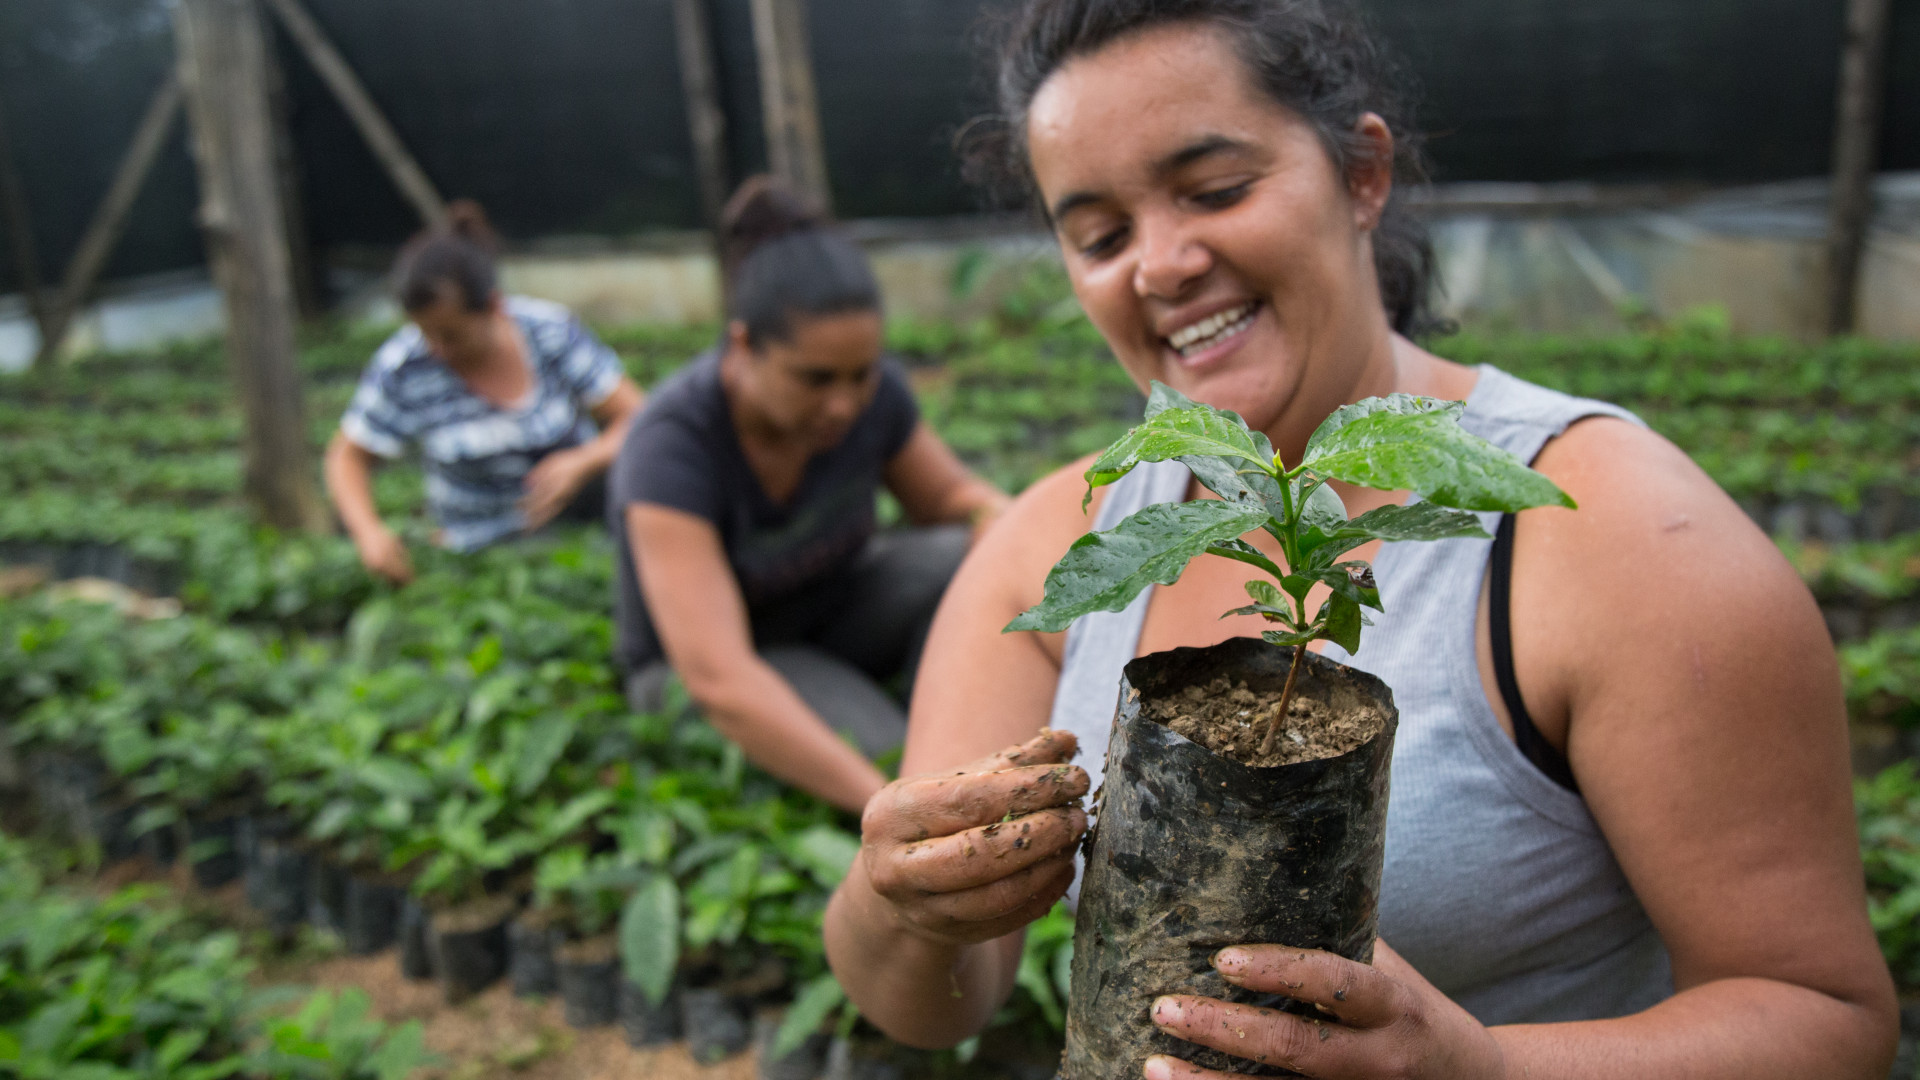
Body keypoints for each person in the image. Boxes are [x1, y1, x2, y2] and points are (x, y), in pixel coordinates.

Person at [824, 2, 1896, 1077]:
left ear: (1362, 175)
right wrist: (900, 905)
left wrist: (1483, 1070)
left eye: (1216, 189)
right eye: (1101, 237)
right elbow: (935, 1006)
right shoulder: (1056, 545)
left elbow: (1828, 1022)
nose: (1160, 264)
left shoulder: (1623, 533)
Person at [609, 178, 1011, 815]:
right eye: (815, 379)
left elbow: (953, 498)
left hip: (831, 610)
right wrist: (889, 804)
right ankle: (911, 748)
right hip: (720, 663)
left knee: (970, 555)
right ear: (744, 346)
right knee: (893, 756)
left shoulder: (875, 397)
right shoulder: (672, 446)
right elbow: (718, 675)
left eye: (861, 374)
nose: (844, 404)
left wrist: (996, 520)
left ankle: (935, 717)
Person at [325, 202, 645, 582]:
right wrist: (369, 533)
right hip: (473, 555)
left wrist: (584, 461)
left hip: (580, 536)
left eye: (451, 335)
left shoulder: (549, 332)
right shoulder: (405, 366)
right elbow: (347, 456)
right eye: (426, 333)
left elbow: (639, 417)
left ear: (493, 305)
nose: (437, 349)